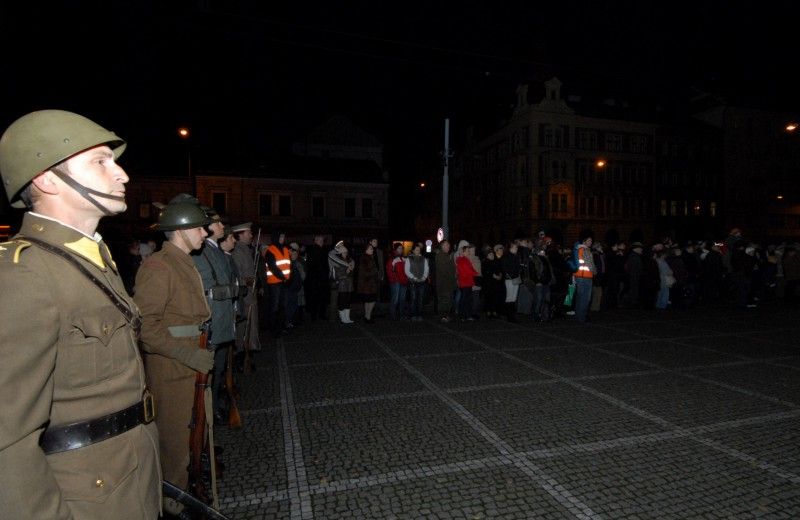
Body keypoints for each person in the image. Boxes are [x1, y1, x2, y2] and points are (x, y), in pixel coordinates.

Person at [0, 110, 160, 519]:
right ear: (47, 180)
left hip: (128, 480)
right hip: (86, 498)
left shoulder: (90, 257)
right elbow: (8, 443)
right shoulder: (23, 273)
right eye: (100, 161)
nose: (122, 174)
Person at [134, 201, 215, 512]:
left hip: (191, 366)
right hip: (173, 371)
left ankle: (187, 496)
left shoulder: (182, 261)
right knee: (175, 446)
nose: (205, 233)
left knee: (193, 440)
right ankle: (172, 506)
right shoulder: (159, 266)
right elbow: (145, 328)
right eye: (200, 228)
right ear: (181, 230)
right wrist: (188, 355)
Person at [192, 211, 238, 426]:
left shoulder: (214, 250)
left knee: (218, 367)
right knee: (210, 370)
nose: (222, 227)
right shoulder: (202, 252)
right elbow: (209, 287)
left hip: (221, 319)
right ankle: (209, 411)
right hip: (213, 319)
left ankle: (215, 404)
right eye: (218, 223)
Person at [231, 222, 260, 371]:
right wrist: (247, 281)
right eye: (248, 233)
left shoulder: (247, 250)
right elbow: (235, 278)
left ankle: (248, 356)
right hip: (244, 298)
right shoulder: (237, 252)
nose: (251, 235)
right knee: (243, 329)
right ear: (240, 235)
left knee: (250, 329)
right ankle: (240, 359)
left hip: (250, 296)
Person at [264, 229, 291, 336]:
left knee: (282, 306)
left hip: (284, 282)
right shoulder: (270, 250)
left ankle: (281, 327)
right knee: (275, 307)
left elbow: (290, 266)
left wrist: (289, 278)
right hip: (275, 283)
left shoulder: (285, 249)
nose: (282, 239)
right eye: (280, 237)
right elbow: (273, 267)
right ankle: (274, 329)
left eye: (283, 237)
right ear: (276, 238)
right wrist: (283, 278)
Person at [329, 240, 355, 323]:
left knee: (348, 301)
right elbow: (337, 273)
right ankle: (343, 318)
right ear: (340, 253)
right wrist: (346, 272)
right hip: (342, 284)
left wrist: (350, 271)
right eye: (343, 252)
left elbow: (352, 272)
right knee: (342, 301)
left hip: (349, 284)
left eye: (346, 252)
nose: (345, 254)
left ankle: (347, 318)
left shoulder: (350, 260)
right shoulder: (336, 261)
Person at [573, 230, 596, 322]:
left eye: (591, 240)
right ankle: (581, 317)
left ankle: (579, 317)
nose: (591, 242)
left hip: (583, 276)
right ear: (584, 241)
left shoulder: (582, 249)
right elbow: (590, 264)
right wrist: (595, 271)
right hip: (583, 277)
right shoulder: (584, 250)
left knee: (581, 298)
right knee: (585, 298)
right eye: (589, 240)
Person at [405, 242, 430, 321]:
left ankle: (419, 314)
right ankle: (413, 315)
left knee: (420, 299)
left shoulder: (423, 259)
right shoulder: (409, 259)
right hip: (413, 282)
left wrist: (424, 277)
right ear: (413, 250)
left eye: (419, 250)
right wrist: (414, 278)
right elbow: (407, 270)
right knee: (413, 298)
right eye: (416, 250)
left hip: (421, 282)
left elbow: (426, 269)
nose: (418, 251)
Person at [357, 242, 380, 323]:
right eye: (370, 249)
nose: (372, 250)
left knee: (369, 301)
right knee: (371, 301)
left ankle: (367, 316)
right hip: (367, 284)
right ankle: (368, 316)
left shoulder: (370, 257)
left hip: (370, 284)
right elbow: (363, 272)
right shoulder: (364, 258)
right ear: (366, 250)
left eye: (372, 249)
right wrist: (375, 272)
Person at [435, 239, 457, 322]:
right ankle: (442, 316)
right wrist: (452, 276)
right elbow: (444, 270)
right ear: (442, 246)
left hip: (449, 283)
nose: (448, 246)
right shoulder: (440, 256)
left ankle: (446, 315)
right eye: (446, 245)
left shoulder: (447, 255)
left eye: (448, 245)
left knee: (449, 300)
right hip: (443, 283)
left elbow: (452, 268)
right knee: (444, 300)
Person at [387, 242, 408, 319]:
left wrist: (406, 278)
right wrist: (395, 279)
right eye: (399, 248)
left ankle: (401, 314)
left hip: (403, 281)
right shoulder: (392, 259)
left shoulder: (404, 259)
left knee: (402, 299)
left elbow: (407, 270)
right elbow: (389, 271)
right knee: (395, 299)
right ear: (395, 250)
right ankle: (393, 315)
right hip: (396, 282)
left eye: (402, 248)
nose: (401, 250)